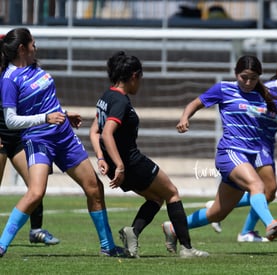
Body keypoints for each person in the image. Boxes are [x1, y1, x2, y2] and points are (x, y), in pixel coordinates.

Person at [161, 55, 277, 253]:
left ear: (259, 77)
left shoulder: (265, 95)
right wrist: (185, 117)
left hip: (249, 157)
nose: (248, 83)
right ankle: (270, 224)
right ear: (236, 74)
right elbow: (195, 103)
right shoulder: (224, 89)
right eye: (244, 77)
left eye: (253, 78)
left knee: (216, 213)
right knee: (258, 186)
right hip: (229, 153)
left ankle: (173, 228)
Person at [0, 27, 124, 258]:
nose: (35, 47)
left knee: (94, 188)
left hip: (64, 136)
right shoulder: (9, 79)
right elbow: (10, 120)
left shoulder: (35, 67)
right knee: (36, 192)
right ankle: (2, 244)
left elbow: (45, 101)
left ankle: (108, 246)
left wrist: (64, 114)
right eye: (33, 43)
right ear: (21, 48)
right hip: (38, 140)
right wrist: (45, 119)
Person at [89, 51, 209, 259]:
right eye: (140, 78)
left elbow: (94, 131)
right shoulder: (120, 101)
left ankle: (132, 232)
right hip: (130, 163)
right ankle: (188, 249)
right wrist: (119, 165)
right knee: (172, 192)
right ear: (134, 76)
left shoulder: (106, 97)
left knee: (155, 198)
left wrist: (101, 158)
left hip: (116, 163)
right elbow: (107, 133)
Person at [207, 56, 277, 242]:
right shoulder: (265, 90)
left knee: (269, 192)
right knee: (266, 188)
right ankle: (246, 231)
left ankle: (232, 218)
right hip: (255, 142)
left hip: (267, 143)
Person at [0, 102, 60, 245]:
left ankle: (36, 230)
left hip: (19, 140)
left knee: (35, 187)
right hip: (1, 140)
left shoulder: (21, 82)